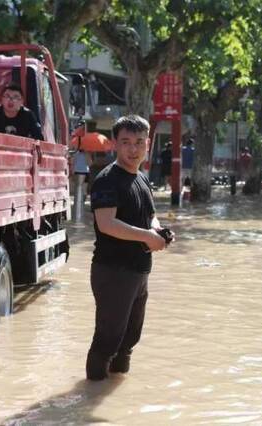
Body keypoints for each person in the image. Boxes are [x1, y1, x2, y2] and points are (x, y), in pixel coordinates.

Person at [86, 115, 173, 381]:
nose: (133, 149)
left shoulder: (142, 179)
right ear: (115, 144)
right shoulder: (107, 179)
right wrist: (147, 237)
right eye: (125, 142)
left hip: (138, 271)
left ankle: (115, 393)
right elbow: (107, 223)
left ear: (149, 143)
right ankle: (91, 395)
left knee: (129, 338)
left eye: (138, 142)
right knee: (108, 339)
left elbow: (150, 215)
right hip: (113, 271)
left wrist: (157, 231)